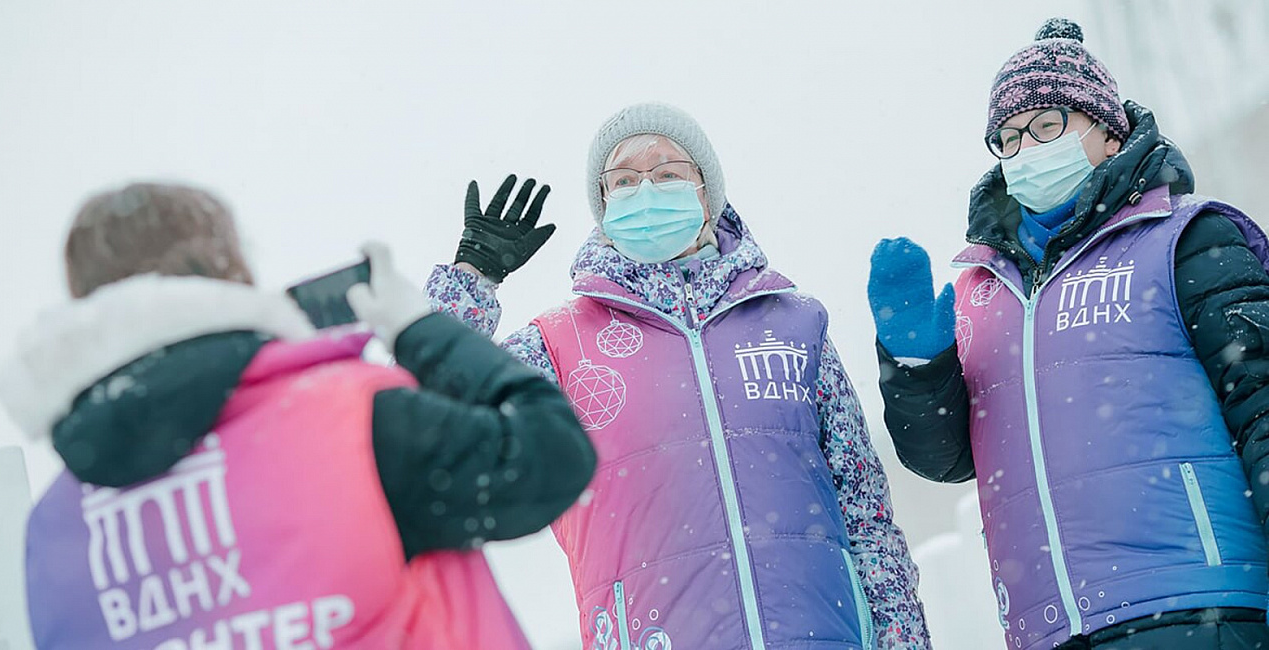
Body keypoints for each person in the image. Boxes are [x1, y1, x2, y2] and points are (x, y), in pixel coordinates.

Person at [0, 182, 596, 649]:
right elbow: (551, 456)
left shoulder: (51, 534)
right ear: (231, 275)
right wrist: (421, 327)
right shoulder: (352, 424)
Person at [427, 102, 929, 649]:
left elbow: (867, 510)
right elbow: (432, 424)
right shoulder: (560, 344)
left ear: (707, 194)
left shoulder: (793, 324)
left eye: (668, 173)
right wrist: (472, 277)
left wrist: (904, 638)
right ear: (603, 205)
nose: (646, 191)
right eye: (624, 180)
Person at [867, 17, 1269, 650]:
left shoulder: (1186, 239)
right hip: (1048, 627)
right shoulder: (985, 289)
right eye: (1008, 137)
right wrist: (917, 365)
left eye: (1047, 126)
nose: (1027, 149)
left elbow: (1261, 401)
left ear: (1107, 131)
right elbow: (945, 459)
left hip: (1194, 604)